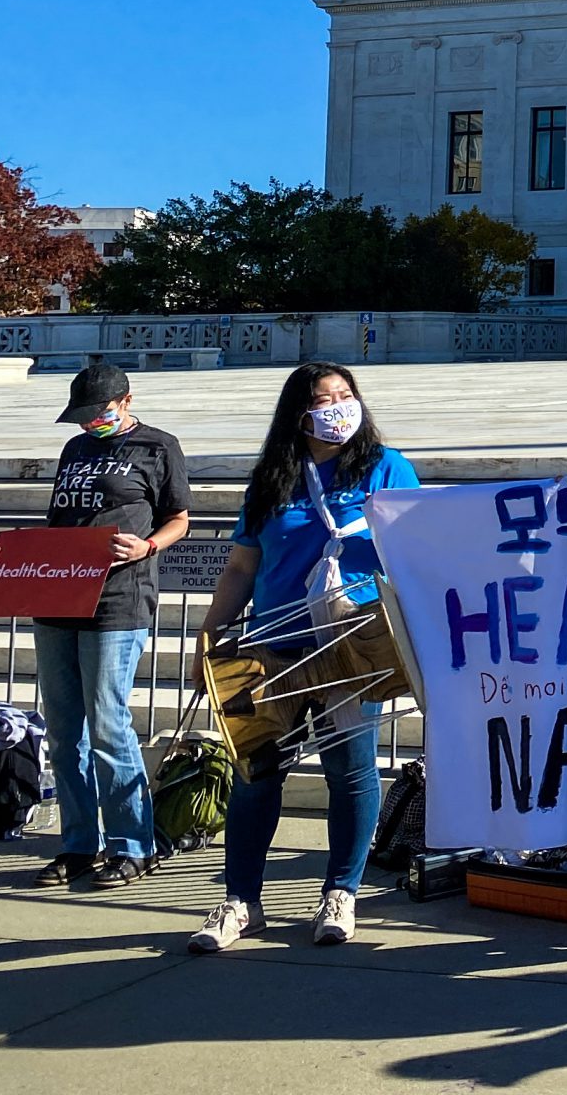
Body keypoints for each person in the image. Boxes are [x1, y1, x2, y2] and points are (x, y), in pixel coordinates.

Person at [189, 362, 418, 953]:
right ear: (300, 412)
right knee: (257, 772)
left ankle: (342, 891)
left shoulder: (385, 467)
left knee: (351, 771)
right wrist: (211, 632)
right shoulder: (271, 478)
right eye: (326, 399)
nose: (340, 407)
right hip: (275, 642)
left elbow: (418, 545)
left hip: (351, 641)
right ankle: (241, 899)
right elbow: (243, 565)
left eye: (347, 396)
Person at [6, 363, 193, 887]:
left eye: (101, 414)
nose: (91, 424)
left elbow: (180, 516)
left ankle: (134, 844)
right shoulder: (75, 451)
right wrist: (14, 556)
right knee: (66, 733)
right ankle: (78, 844)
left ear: (127, 402)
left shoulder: (158, 447)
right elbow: (56, 524)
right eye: (83, 418)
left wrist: (149, 545)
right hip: (59, 595)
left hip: (118, 599)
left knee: (108, 724)